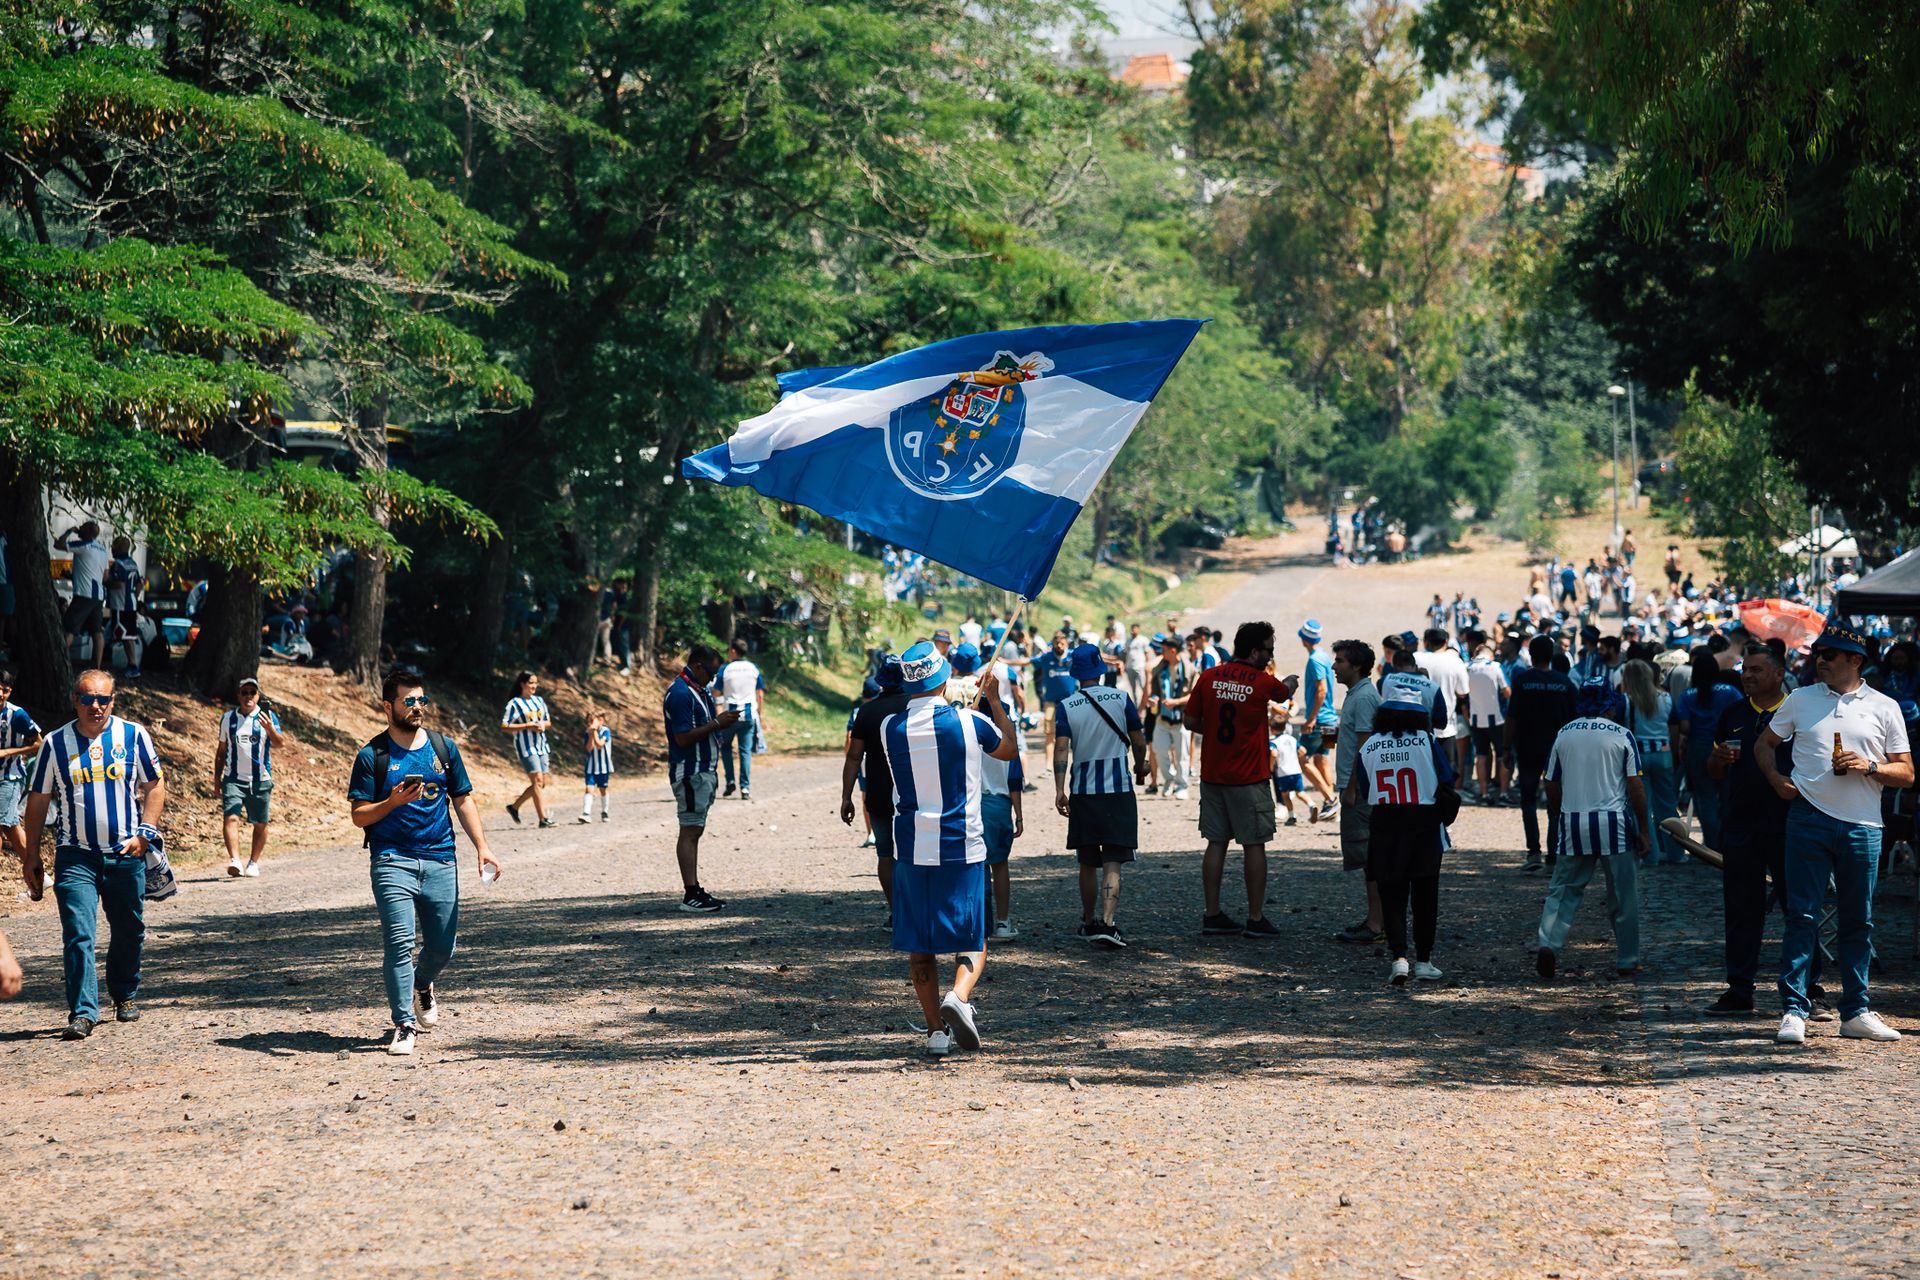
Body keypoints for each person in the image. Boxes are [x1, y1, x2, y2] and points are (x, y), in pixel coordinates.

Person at [1757, 618, 1913, 1045]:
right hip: (1808, 817)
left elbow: (1908, 773)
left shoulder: (1885, 706)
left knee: (1857, 920)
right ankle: (1793, 1009)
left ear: (1854, 660)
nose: (1818, 660)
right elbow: (1763, 744)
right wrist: (1776, 780)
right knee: (1801, 916)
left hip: (1863, 823)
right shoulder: (1800, 699)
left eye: (1828, 654)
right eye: (1817, 654)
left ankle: (1856, 1011)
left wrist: (1871, 766)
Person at [347, 667, 502, 1056]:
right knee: (398, 943)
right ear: (388, 706)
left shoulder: (443, 748)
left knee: (442, 947)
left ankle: (423, 983)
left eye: (422, 700)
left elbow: (463, 799)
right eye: (409, 701)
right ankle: (404, 1024)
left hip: (440, 859)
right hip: (391, 860)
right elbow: (359, 815)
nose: (418, 707)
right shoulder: (372, 756)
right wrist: (392, 803)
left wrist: (482, 847)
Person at [881, 641, 1018, 1057]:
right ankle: (958, 996)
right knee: (972, 937)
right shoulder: (969, 722)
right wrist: (993, 702)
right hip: (962, 846)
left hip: (910, 848)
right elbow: (1009, 750)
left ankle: (935, 1032)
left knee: (919, 947)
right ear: (943, 677)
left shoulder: (890, 728)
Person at [20, 669, 166, 1039]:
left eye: (103, 699)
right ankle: (83, 1011)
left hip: (125, 853)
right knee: (78, 933)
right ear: (75, 701)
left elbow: (154, 784)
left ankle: (124, 992)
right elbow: (37, 801)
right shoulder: (55, 744)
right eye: (87, 699)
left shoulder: (133, 736)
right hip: (76, 856)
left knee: (129, 930)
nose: (95, 706)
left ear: (113, 701)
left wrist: (145, 833)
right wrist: (31, 855)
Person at [1701, 645, 1796, 1015]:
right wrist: (1716, 759)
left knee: (1798, 910)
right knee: (1741, 910)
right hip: (1741, 825)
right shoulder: (1733, 713)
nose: (1747, 676)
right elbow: (1714, 773)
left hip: (1789, 825)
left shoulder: (1797, 712)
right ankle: (1739, 990)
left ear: (1778, 673)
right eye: (1745, 670)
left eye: (1756, 670)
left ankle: (1809, 989)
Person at [1534, 686, 1651, 980]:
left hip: (1574, 821)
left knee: (1563, 890)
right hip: (1615, 824)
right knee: (1623, 895)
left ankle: (1549, 943)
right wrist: (1644, 829)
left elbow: (1550, 781)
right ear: (1610, 707)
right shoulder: (1621, 734)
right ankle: (1627, 958)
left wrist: (1560, 812)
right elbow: (1635, 786)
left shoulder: (1564, 734)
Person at [1185, 621, 1293, 938]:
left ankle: (1212, 912)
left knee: (1215, 843)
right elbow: (1284, 694)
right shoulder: (1262, 682)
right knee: (1254, 844)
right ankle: (1256, 917)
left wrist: (1217, 733)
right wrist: (1290, 681)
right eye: (1268, 650)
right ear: (1255, 650)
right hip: (1249, 778)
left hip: (1214, 775)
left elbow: (1190, 719)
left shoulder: (1209, 676)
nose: (1270, 655)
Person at [1052, 642, 1149, 947]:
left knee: (1086, 861)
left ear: (1076, 674)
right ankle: (1108, 922)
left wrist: (1059, 789)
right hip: (1118, 790)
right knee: (1113, 862)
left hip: (1084, 791)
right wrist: (1140, 767)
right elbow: (1138, 739)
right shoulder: (1121, 698)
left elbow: (1061, 749)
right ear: (1100, 668)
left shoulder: (1067, 706)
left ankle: (1087, 920)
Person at [1360, 680, 1455, 984]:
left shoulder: (1370, 745)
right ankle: (1424, 961)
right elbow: (1447, 778)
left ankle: (1398, 958)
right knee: (1426, 895)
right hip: (1424, 824)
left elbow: (1365, 789)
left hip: (1386, 823)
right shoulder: (1427, 741)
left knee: (1392, 893)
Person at [664, 644, 738, 913]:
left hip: (703, 769)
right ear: (697, 666)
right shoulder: (681, 694)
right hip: (690, 770)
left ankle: (695, 890)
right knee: (690, 829)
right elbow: (682, 737)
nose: (713, 678)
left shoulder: (698, 690)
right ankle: (690, 893)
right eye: (712, 672)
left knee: (696, 829)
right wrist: (718, 723)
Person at [1508, 635, 1579, 874]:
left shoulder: (1522, 681)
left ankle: (1533, 852)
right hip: (1558, 751)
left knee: (1528, 799)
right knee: (1555, 804)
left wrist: (1506, 749)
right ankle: (1553, 853)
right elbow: (1574, 721)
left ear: (1531, 655)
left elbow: (1513, 717)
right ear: (1552, 655)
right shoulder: (1565, 683)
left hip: (1527, 748)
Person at [842, 656, 907, 907]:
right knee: (912, 854)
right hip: (911, 793)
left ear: (880, 681)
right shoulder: (913, 707)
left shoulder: (867, 711)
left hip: (878, 792)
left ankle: (895, 911)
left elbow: (853, 757)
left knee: (885, 854)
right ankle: (914, 911)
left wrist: (846, 797)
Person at [1331, 641, 1385, 944]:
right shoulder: (1358, 694)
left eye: (1339, 661)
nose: (1334, 666)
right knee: (1367, 858)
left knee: (1369, 857)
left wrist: (1351, 787)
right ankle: (1375, 919)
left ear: (1356, 666)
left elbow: (1366, 746)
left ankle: (1377, 924)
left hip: (1362, 790)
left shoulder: (1364, 697)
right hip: (1358, 786)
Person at [214, 676, 285, 878]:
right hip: (233, 778)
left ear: (258, 695)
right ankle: (235, 860)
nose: (248, 696)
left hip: (260, 780)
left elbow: (281, 743)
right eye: (244, 692)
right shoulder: (228, 719)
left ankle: (253, 861)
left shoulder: (266, 717)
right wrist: (217, 779)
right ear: (238, 695)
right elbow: (221, 751)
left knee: (260, 823)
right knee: (231, 816)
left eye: (252, 692)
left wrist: (270, 728)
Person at [1672, 648, 1741, 852]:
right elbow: (1741, 714)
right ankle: (1730, 841)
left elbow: (1684, 727)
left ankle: (1712, 845)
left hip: (1698, 747)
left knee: (1705, 797)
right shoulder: (1730, 691)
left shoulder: (1687, 695)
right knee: (1728, 794)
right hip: (1727, 746)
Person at [1618, 660, 1679, 866]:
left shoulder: (1626, 700)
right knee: (1668, 805)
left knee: (1641, 805)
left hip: (1638, 757)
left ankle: (1649, 854)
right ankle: (1677, 852)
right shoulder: (1666, 698)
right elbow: (1675, 728)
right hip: (1664, 754)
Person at [1296, 619, 1342, 820]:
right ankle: (1330, 805)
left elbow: (1321, 690)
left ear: (1303, 638)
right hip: (1331, 718)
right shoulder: (1323, 656)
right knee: (1322, 759)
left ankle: (1331, 799)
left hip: (1320, 719)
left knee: (1301, 757)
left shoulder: (1315, 660)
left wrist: (1311, 718)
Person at [0, 665, 43, 874]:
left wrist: (9, 752)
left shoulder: (17, 715)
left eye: (5, 690)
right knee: (10, 826)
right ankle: (37, 872)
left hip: (9, 776)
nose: (1, 694)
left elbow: (39, 744)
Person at [501, 671, 555, 828]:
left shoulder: (539, 701)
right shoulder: (514, 704)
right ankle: (543, 819)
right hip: (526, 747)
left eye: (536, 683)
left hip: (542, 746)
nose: (534, 686)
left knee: (541, 783)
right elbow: (505, 725)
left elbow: (548, 722)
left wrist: (542, 725)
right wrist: (528, 726)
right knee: (537, 781)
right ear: (523, 684)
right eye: (531, 683)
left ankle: (514, 807)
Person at [713, 640, 765, 800]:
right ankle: (745, 787)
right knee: (745, 751)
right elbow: (760, 694)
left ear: (734, 651)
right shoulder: (753, 668)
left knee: (726, 748)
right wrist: (759, 714)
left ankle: (730, 781)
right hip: (748, 715)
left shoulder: (725, 669)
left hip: (730, 715)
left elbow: (716, 692)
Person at [1418, 628, 1471, 780]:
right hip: (1445, 726)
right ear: (1446, 642)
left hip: (1417, 725)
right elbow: (1463, 692)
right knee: (1445, 773)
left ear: (1426, 642)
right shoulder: (1455, 661)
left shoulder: (1416, 658)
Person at [56, 520, 110, 669]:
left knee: (69, 629)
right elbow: (105, 576)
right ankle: (97, 667)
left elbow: (58, 545)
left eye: (83, 527)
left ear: (87, 533)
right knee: (97, 632)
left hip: (83, 595)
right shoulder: (102, 550)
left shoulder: (83, 545)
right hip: (98, 596)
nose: (80, 528)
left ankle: (60, 663)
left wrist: (69, 531)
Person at [1146, 634, 1194, 798]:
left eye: (1164, 650)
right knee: (1159, 751)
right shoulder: (1159, 669)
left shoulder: (1190, 669)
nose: (1162, 653)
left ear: (1173, 651)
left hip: (1182, 719)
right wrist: (1154, 700)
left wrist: (1177, 701)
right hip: (1162, 718)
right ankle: (1169, 779)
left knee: (1182, 756)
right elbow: (1154, 693)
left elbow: (1195, 696)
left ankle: (1182, 786)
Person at [1465, 642, 1510, 805]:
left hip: (1476, 718)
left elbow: (1463, 693)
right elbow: (1507, 692)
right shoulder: (1495, 667)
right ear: (1489, 654)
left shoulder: (1467, 667)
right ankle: (1503, 792)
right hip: (1496, 718)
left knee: (1481, 756)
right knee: (1502, 755)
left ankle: (1484, 793)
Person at [1030, 631, 1076, 760]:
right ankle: (1048, 766)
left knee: (1074, 732)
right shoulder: (1047, 657)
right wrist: (1006, 661)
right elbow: (1027, 661)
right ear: (1053, 644)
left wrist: (1113, 662)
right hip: (1051, 701)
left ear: (1066, 644)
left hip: (1070, 701)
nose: (1059, 646)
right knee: (1049, 733)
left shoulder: (1073, 656)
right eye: (1057, 643)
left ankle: (1076, 761)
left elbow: (1093, 658)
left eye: (1062, 643)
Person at [104, 535, 143, 676]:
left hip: (120, 604)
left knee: (124, 635)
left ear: (118, 548)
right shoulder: (133, 563)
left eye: (113, 546)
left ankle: (132, 666)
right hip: (131, 604)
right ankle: (133, 665)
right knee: (130, 635)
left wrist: (106, 583)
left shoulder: (118, 564)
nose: (112, 548)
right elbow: (139, 584)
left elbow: (119, 584)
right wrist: (134, 597)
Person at [1269, 714, 1307, 827]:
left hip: (1283, 773)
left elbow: (1274, 753)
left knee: (1285, 795)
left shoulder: (1274, 742)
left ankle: (1292, 816)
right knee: (1300, 793)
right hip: (1296, 771)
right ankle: (1311, 804)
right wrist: (1299, 760)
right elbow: (1303, 751)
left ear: (1271, 729)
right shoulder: (1292, 739)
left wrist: (1270, 766)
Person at [580, 710, 614, 823]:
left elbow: (600, 744)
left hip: (603, 766)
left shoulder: (606, 731)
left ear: (601, 721)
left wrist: (594, 731)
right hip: (591, 766)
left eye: (592, 721)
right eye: (588, 721)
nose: (590, 724)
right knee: (589, 788)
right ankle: (586, 813)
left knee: (603, 789)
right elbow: (589, 748)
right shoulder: (587, 732)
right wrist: (590, 734)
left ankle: (605, 811)